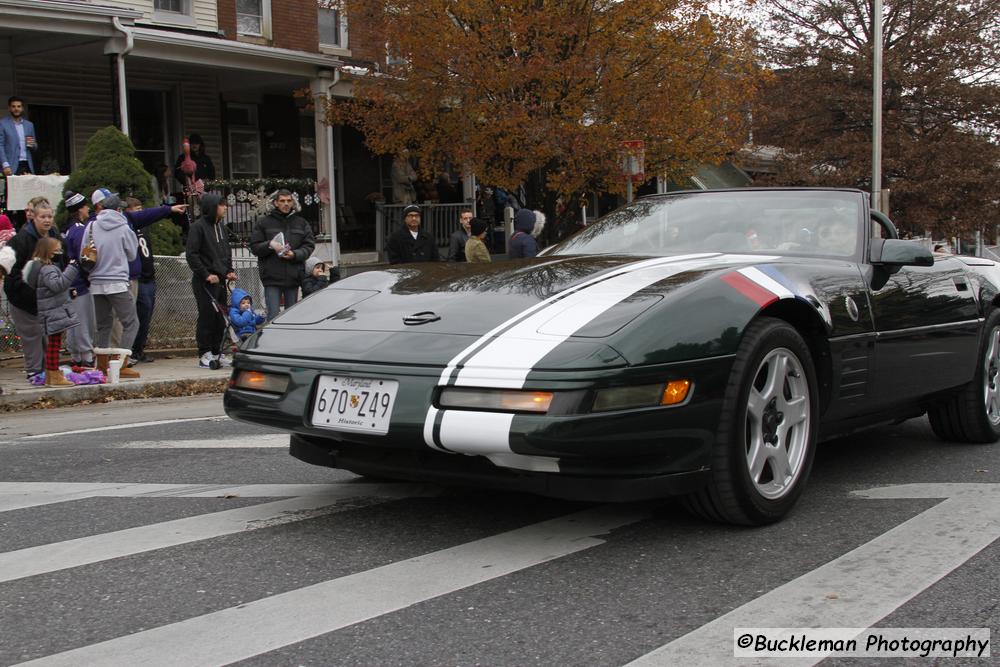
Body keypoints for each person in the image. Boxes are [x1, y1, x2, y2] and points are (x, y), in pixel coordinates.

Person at [123, 196, 186, 363]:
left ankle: (139, 349)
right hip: (139, 278)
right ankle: (130, 351)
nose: (140, 212)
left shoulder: (143, 228)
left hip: (150, 277)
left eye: (141, 209)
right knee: (137, 316)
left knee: (147, 315)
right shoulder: (127, 227)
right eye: (136, 210)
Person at [3, 200, 61, 382]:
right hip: (21, 296)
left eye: (50, 216)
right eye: (42, 216)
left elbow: (60, 261)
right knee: (32, 334)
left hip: (44, 298)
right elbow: (9, 269)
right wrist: (26, 291)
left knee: (44, 335)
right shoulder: (21, 240)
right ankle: (34, 371)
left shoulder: (54, 236)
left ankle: (46, 371)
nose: (47, 220)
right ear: (33, 218)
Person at [87, 193, 141, 379]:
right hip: (117, 282)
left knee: (103, 325)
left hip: (96, 283)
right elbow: (132, 254)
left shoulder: (92, 225)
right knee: (131, 323)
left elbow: (84, 251)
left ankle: (101, 365)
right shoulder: (123, 227)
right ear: (118, 210)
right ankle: (121, 364)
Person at [185, 192, 236, 368]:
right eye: (221, 205)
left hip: (220, 280)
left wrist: (229, 270)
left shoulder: (221, 227)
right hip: (205, 282)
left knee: (220, 318)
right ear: (212, 207)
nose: (225, 208)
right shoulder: (198, 227)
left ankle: (217, 351)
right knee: (207, 316)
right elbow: (192, 254)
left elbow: (226, 252)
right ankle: (204, 352)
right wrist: (206, 274)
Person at [248, 189, 316, 321]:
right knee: (273, 317)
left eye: (289, 201)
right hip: (272, 278)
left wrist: (295, 254)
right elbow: (255, 247)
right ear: (275, 203)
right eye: (282, 201)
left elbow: (309, 245)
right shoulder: (264, 222)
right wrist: (270, 245)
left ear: (293, 203)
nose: (286, 204)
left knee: (291, 317)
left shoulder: (301, 223)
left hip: (294, 277)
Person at [25, 237, 80, 387]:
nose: (59, 253)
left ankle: (51, 375)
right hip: (53, 313)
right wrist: (72, 268)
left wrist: (68, 293)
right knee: (54, 345)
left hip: (51, 311)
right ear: (49, 252)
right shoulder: (48, 269)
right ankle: (54, 374)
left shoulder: (44, 269)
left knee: (53, 344)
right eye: (57, 250)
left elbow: (52, 291)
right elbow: (57, 285)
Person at [61, 191, 96, 367]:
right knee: (84, 321)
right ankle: (87, 357)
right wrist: (88, 275)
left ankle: (75, 355)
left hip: (68, 282)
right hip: (80, 283)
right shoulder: (80, 230)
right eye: (85, 206)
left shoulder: (66, 229)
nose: (88, 209)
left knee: (73, 322)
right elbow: (85, 258)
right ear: (79, 209)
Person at [0, 96, 37, 176]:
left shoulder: (29, 125)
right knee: (11, 188)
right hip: (11, 165)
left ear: (22, 108)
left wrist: (33, 144)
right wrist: (5, 165)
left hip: (27, 164)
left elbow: (35, 146)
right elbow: (0, 145)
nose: (16, 109)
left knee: (29, 188)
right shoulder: (3, 124)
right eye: (13, 106)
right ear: (9, 108)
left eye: (18, 106)